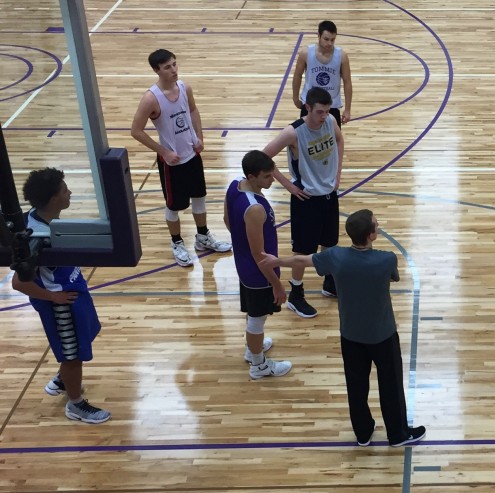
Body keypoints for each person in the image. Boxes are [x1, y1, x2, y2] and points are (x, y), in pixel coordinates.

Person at [260, 209, 426, 446]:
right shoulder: (387, 259)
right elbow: (393, 277)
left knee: (356, 386)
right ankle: (397, 433)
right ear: (371, 235)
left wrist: (277, 261)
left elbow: (302, 260)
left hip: (351, 335)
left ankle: (363, 433)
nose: (378, 227)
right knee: (390, 383)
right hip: (382, 335)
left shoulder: (336, 257)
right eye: (376, 225)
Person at [12, 168, 111, 424]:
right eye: (65, 190)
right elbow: (18, 282)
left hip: (73, 293)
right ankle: (76, 405)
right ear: (54, 199)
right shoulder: (35, 235)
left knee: (87, 335)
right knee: (72, 354)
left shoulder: (42, 219)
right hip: (61, 304)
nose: (70, 193)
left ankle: (61, 379)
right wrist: (51, 297)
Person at [131, 48, 231, 267]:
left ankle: (203, 237)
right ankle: (176, 242)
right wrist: (163, 151)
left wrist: (199, 137)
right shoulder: (151, 98)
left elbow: (193, 111)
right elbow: (136, 131)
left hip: (192, 155)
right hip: (171, 163)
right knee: (174, 206)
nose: (174, 70)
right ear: (157, 70)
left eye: (175, 64)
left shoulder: (185, 88)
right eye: (168, 67)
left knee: (199, 197)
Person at [263, 86, 344, 318]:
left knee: (330, 243)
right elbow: (263, 156)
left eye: (327, 111)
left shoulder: (330, 121)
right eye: (320, 111)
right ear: (307, 108)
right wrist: (289, 185)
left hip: (329, 194)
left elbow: (339, 140)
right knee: (302, 250)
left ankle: (329, 283)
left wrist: (337, 173)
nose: (324, 116)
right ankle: (296, 294)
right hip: (306, 199)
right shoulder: (294, 132)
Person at [224, 150, 292, 380]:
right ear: (252, 177)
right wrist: (277, 284)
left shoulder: (235, 185)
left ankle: (253, 348)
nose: (272, 180)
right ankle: (258, 365)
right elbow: (260, 255)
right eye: (267, 177)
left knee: (255, 314)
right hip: (258, 272)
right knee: (257, 318)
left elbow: (227, 220)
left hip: (244, 265)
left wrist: (241, 244)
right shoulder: (255, 208)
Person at [292, 20, 353, 128]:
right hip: (309, 105)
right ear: (318, 36)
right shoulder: (306, 53)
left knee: (332, 142)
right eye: (326, 39)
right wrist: (295, 98)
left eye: (332, 40)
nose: (329, 43)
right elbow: (297, 76)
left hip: (331, 106)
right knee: (306, 141)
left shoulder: (342, 56)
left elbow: (347, 81)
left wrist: (347, 109)